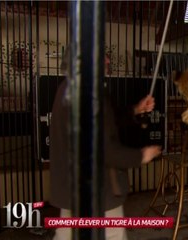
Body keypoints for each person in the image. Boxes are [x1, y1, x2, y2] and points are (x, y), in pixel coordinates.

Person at [50, 49, 162, 240]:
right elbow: (101, 149)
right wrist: (141, 156)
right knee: (113, 235)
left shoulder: (71, 88)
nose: (108, 59)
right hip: (97, 188)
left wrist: (136, 109)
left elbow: (105, 122)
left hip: (74, 186)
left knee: (67, 234)